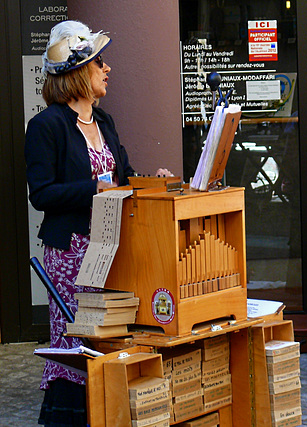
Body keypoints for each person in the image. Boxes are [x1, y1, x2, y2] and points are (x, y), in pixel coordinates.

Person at [24, 21, 170, 426]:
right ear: (77, 73)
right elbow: (42, 194)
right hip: (70, 254)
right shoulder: (46, 126)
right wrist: (95, 188)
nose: (107, 69)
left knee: (109, 340)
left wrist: (148, 181)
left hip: (111, 250)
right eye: (99, 63)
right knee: (79, 342)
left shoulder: (104, 121)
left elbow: (122, 175)